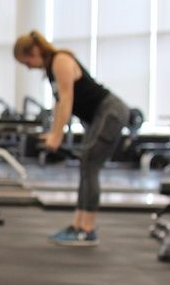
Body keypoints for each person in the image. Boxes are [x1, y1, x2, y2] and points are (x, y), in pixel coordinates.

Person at [13, 31, 129, 246]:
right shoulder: (51, 70)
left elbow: (67, 100)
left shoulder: (61, 60)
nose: (27, 66)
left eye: (26, 60)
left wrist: (58, 136)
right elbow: (59, 104)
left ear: (35, 51)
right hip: (98, 116)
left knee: (90, 164)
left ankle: (87, 228)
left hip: (110, 112)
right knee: (86, 164)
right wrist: (54, 132)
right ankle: (78, 224)